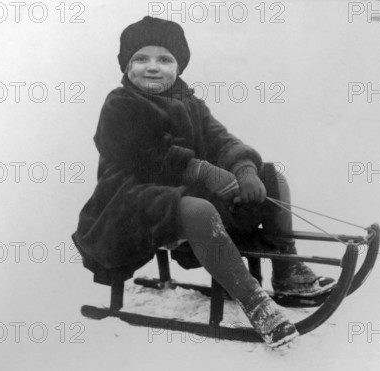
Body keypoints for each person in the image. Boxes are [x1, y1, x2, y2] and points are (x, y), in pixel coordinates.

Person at [72, 16, 334, 347]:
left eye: (164, 59)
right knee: (196, 210)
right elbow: (141, 154)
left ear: (179, 67)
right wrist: (200, 170)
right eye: (141, 58)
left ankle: (289, 272)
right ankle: (254, 302)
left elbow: (219, 139)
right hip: (129, 199)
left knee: (272, 176)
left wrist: (242, 167)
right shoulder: (120, 104)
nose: (153, 67)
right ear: (126, 66)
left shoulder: (190, 102)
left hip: (178, 188)